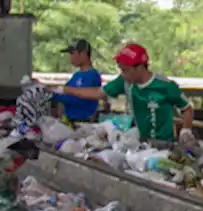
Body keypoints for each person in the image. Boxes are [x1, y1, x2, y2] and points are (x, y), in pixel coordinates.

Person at [59, 43, 196, 146]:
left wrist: (186, 130)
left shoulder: (165, 86)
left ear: (140, 67)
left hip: (164, 144)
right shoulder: (125, 82)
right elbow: (98, 93)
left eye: (126, 70)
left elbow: (186, 108)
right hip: (141, 142)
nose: (123, 74)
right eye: (121, 70)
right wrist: (68, 90)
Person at [53, 39, 102, 123]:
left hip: (84, 122)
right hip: (70, 121)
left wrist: (52, 94)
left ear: (83, 54)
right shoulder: (76, 75)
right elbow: (64, 91)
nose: (70, 57)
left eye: (72, 53)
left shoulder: (93, 75)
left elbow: (79, 98)